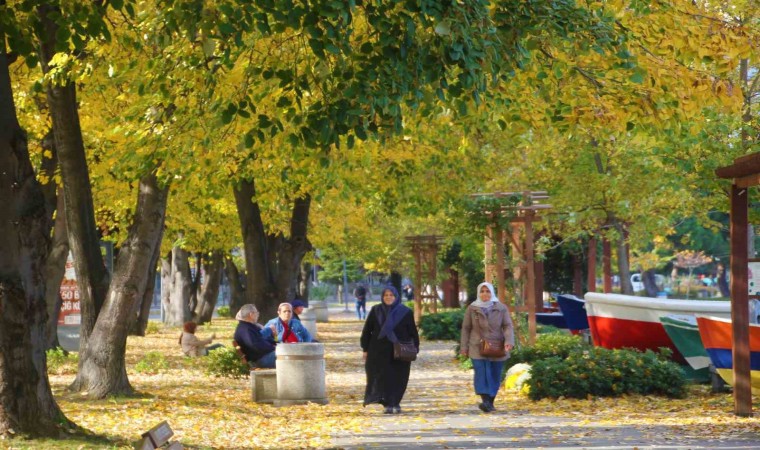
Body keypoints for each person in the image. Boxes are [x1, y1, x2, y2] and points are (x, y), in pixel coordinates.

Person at [361, 286, 419, 414]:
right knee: (382, 377)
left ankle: (395, 402)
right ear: (382, 297)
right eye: (386, 295)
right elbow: (367, 331)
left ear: (396, 296)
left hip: (400, 350)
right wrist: (365, 348)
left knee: (399, 377)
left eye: (391, 295)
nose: (388, 297)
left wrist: (415, 348)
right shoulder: (376, 310)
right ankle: (387, 403)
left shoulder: (405, 312)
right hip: (378, 350)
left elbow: (412, 332)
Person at [460, 282, 514, 413]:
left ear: (492, 293)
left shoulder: (501, 308)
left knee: (495, 373)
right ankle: (485, 401)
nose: (485, 294)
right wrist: (464, 346)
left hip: (497, 345)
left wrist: (509, 340)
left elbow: (507, 325)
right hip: (476, 345)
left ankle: (490, 402)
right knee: (481, 372)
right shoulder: (472, 308)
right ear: (479, 293)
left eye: (487, 291)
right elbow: (466, 328)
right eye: (482, 291)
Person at [233, 304, 276, 368]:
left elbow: (261, 339)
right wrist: (274, 348)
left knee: (290, 355)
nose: (258, 315)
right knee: (288, 357)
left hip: (263, 357)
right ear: (251, 314)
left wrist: (275, 344)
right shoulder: (245, 329)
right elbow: (255, 346)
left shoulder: (248, 327)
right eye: (256, 313)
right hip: (260, 360)